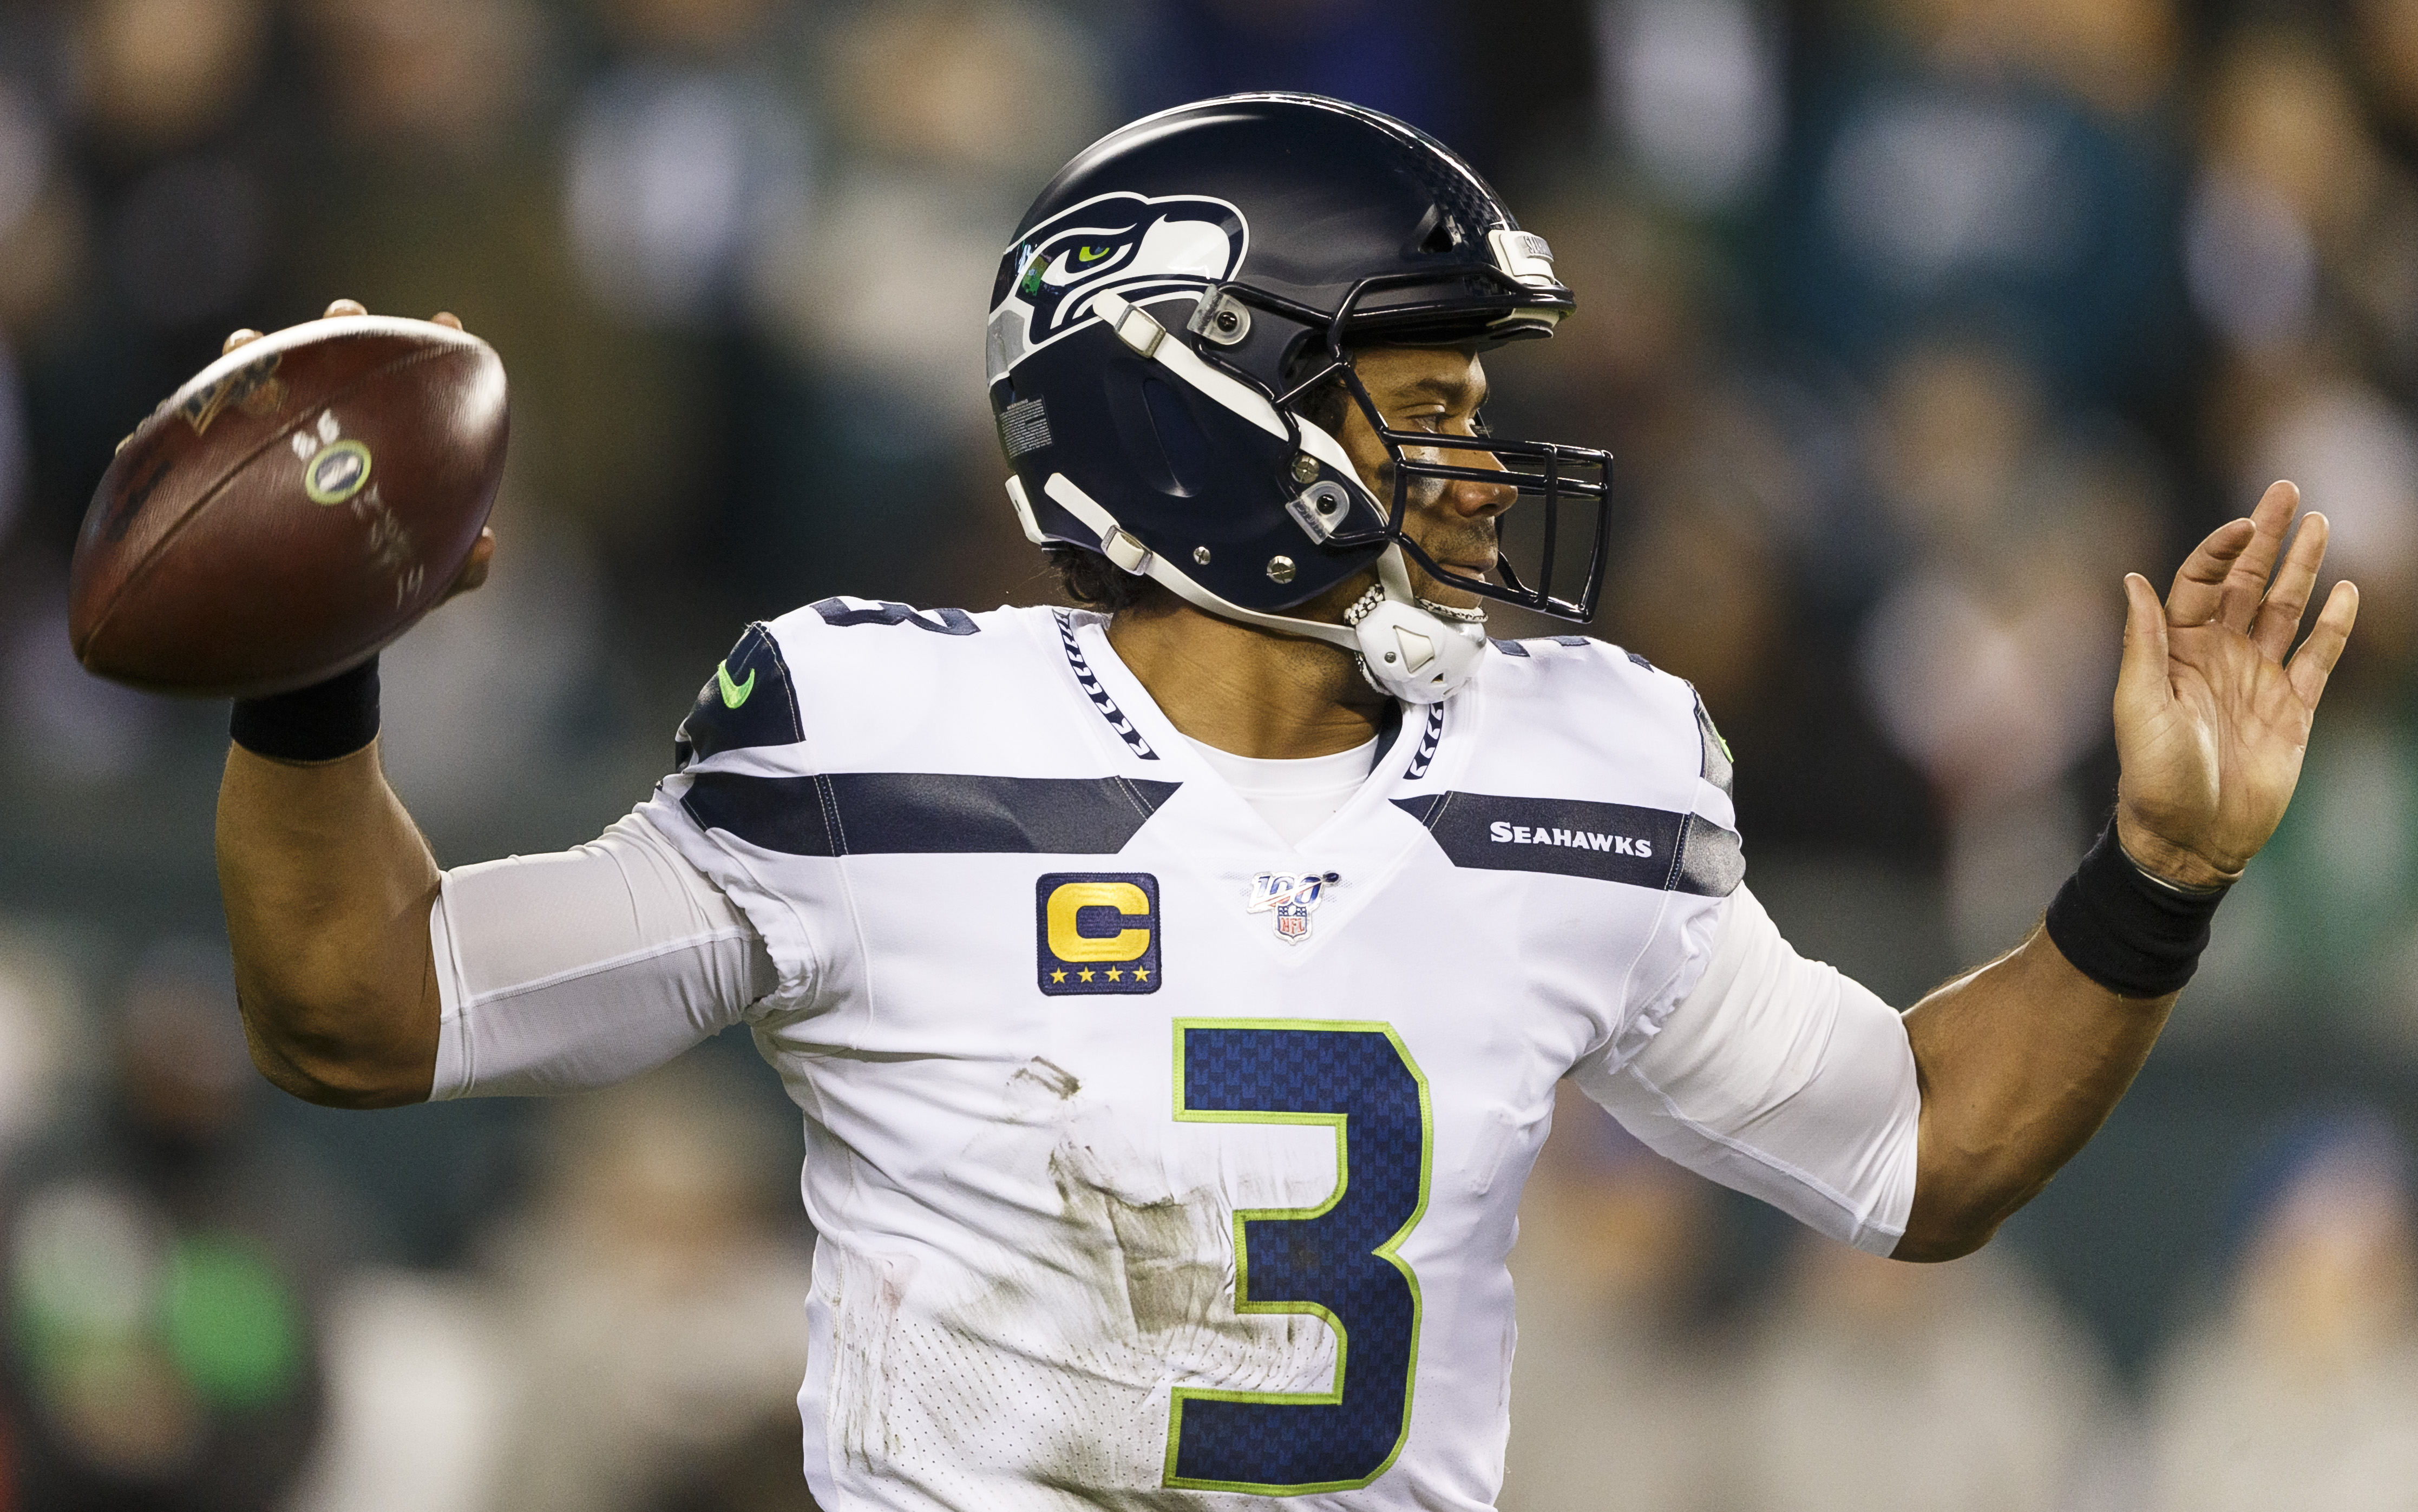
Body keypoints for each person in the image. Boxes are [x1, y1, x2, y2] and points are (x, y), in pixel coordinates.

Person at [205, 95, 2356, 1510]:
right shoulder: (870, 737)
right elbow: (369, 1015)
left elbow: (1916, 1153)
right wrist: (310, 685)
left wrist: (2157, 874)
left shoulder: (1572, 764)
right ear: (1187, 408)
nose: (1482, 463)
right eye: (1422, 402)